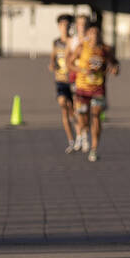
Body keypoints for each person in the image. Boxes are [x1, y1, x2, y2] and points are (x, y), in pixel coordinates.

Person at [68, 22, 118, 162]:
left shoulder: (105, 49)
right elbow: (69, 64)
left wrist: (114, 69)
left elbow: (115, 64)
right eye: (91, 33)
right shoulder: (81, 48)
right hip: (82, 88)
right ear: (88, 34)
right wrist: (82, 70)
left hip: (98, 89)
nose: (94, 36)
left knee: (96, 116)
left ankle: (94, 149)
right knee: (83, 118)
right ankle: (84, 131)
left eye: (97, 33)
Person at [49, 14, 77, 153]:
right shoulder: (56, 42)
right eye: (62, 25)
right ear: (59, 26)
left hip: (72, 80)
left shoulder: (73, 42)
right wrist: (52, 65)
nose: (64, 28)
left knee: (74, 111)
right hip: (60, 80)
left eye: (67, 25)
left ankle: (79, 137)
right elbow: (53, 58)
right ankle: (70, 141)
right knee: (62, 104)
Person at [66, 13, 91, 152]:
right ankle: (79, 136)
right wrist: (78, 69)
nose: (82, 26)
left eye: (84, 24)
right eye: (80, 24)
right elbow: (68, 61)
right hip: (75, 77)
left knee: (85, 110)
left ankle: (85, 135)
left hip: (89, 81)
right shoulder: (73, 41)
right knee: (76, 109)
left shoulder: (90, 39)